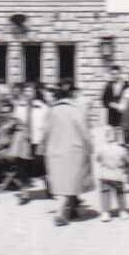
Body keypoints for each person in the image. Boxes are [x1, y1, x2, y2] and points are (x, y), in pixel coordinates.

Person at [42, 79, 94, 226]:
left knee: (63, 182)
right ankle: (60, 213)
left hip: (55, 150)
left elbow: (45, 131)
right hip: (74, 150)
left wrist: (43, 146)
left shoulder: (52, 110)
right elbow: (84, 131)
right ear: (72, 94)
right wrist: (90, 146)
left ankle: (71, 209)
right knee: (71, 182)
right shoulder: (76, 110)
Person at [94, 127, 129, 221]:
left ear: (106, 137)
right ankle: (122, 211)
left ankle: (105, 213)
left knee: (105, 194)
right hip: (118, 175)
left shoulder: (101, 149)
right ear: (117, 138)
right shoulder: (121, 149)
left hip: (104, 176)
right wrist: (125, 166)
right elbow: (128, 160)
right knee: (120, 194)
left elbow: (97, 159)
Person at [101, 66, 129, 134]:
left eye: (116, 74)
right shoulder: (108, 85)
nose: (114, 76)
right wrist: (111, 104)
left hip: (123, 116)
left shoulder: (126, 85)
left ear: (120, 74)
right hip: (112, 117)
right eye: (113, 74)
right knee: (112, 137)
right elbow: (104, 100)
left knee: (122, 135)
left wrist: (123, 105)